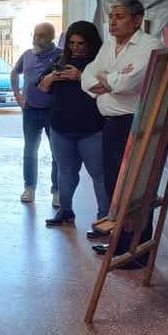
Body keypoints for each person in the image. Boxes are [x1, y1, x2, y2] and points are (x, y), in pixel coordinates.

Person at [81, 0, 164, 267]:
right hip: (110, 124)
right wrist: (109, 78)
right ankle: (120, 243)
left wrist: (108, 78)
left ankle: (137, 250)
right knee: (115, 187)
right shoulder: (109, 45)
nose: (113, 22)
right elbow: (87, 77)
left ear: (137, 20)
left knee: (135, 188)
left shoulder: (150, 46)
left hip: (135, 124)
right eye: (111, 17)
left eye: (120, 16)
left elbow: (128, 83)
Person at [38, 21, 109, 236]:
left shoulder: (100, 64)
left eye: (81, 43)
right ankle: (65, 211)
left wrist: (81, 77)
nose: (76, 47)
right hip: (61, 128)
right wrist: (53, 76)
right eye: (72, 43)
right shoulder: (60, 61)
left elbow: (107, 89)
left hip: (92, 129)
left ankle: (104, 218)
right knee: (66, 172)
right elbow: (42, 87)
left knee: (99, 175)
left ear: (91, 43)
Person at [11, 22, 62, 204]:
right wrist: (18, 96)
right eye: (35, 34)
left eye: (42, 35)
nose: (37, 38)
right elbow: (14, 73)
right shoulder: (27, 55)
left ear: (51, 37)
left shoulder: (61, 56)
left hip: (53, 111)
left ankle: (57, 191)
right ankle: (29, 188)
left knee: (57, 152)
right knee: (30, 151)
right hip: (30, 110)